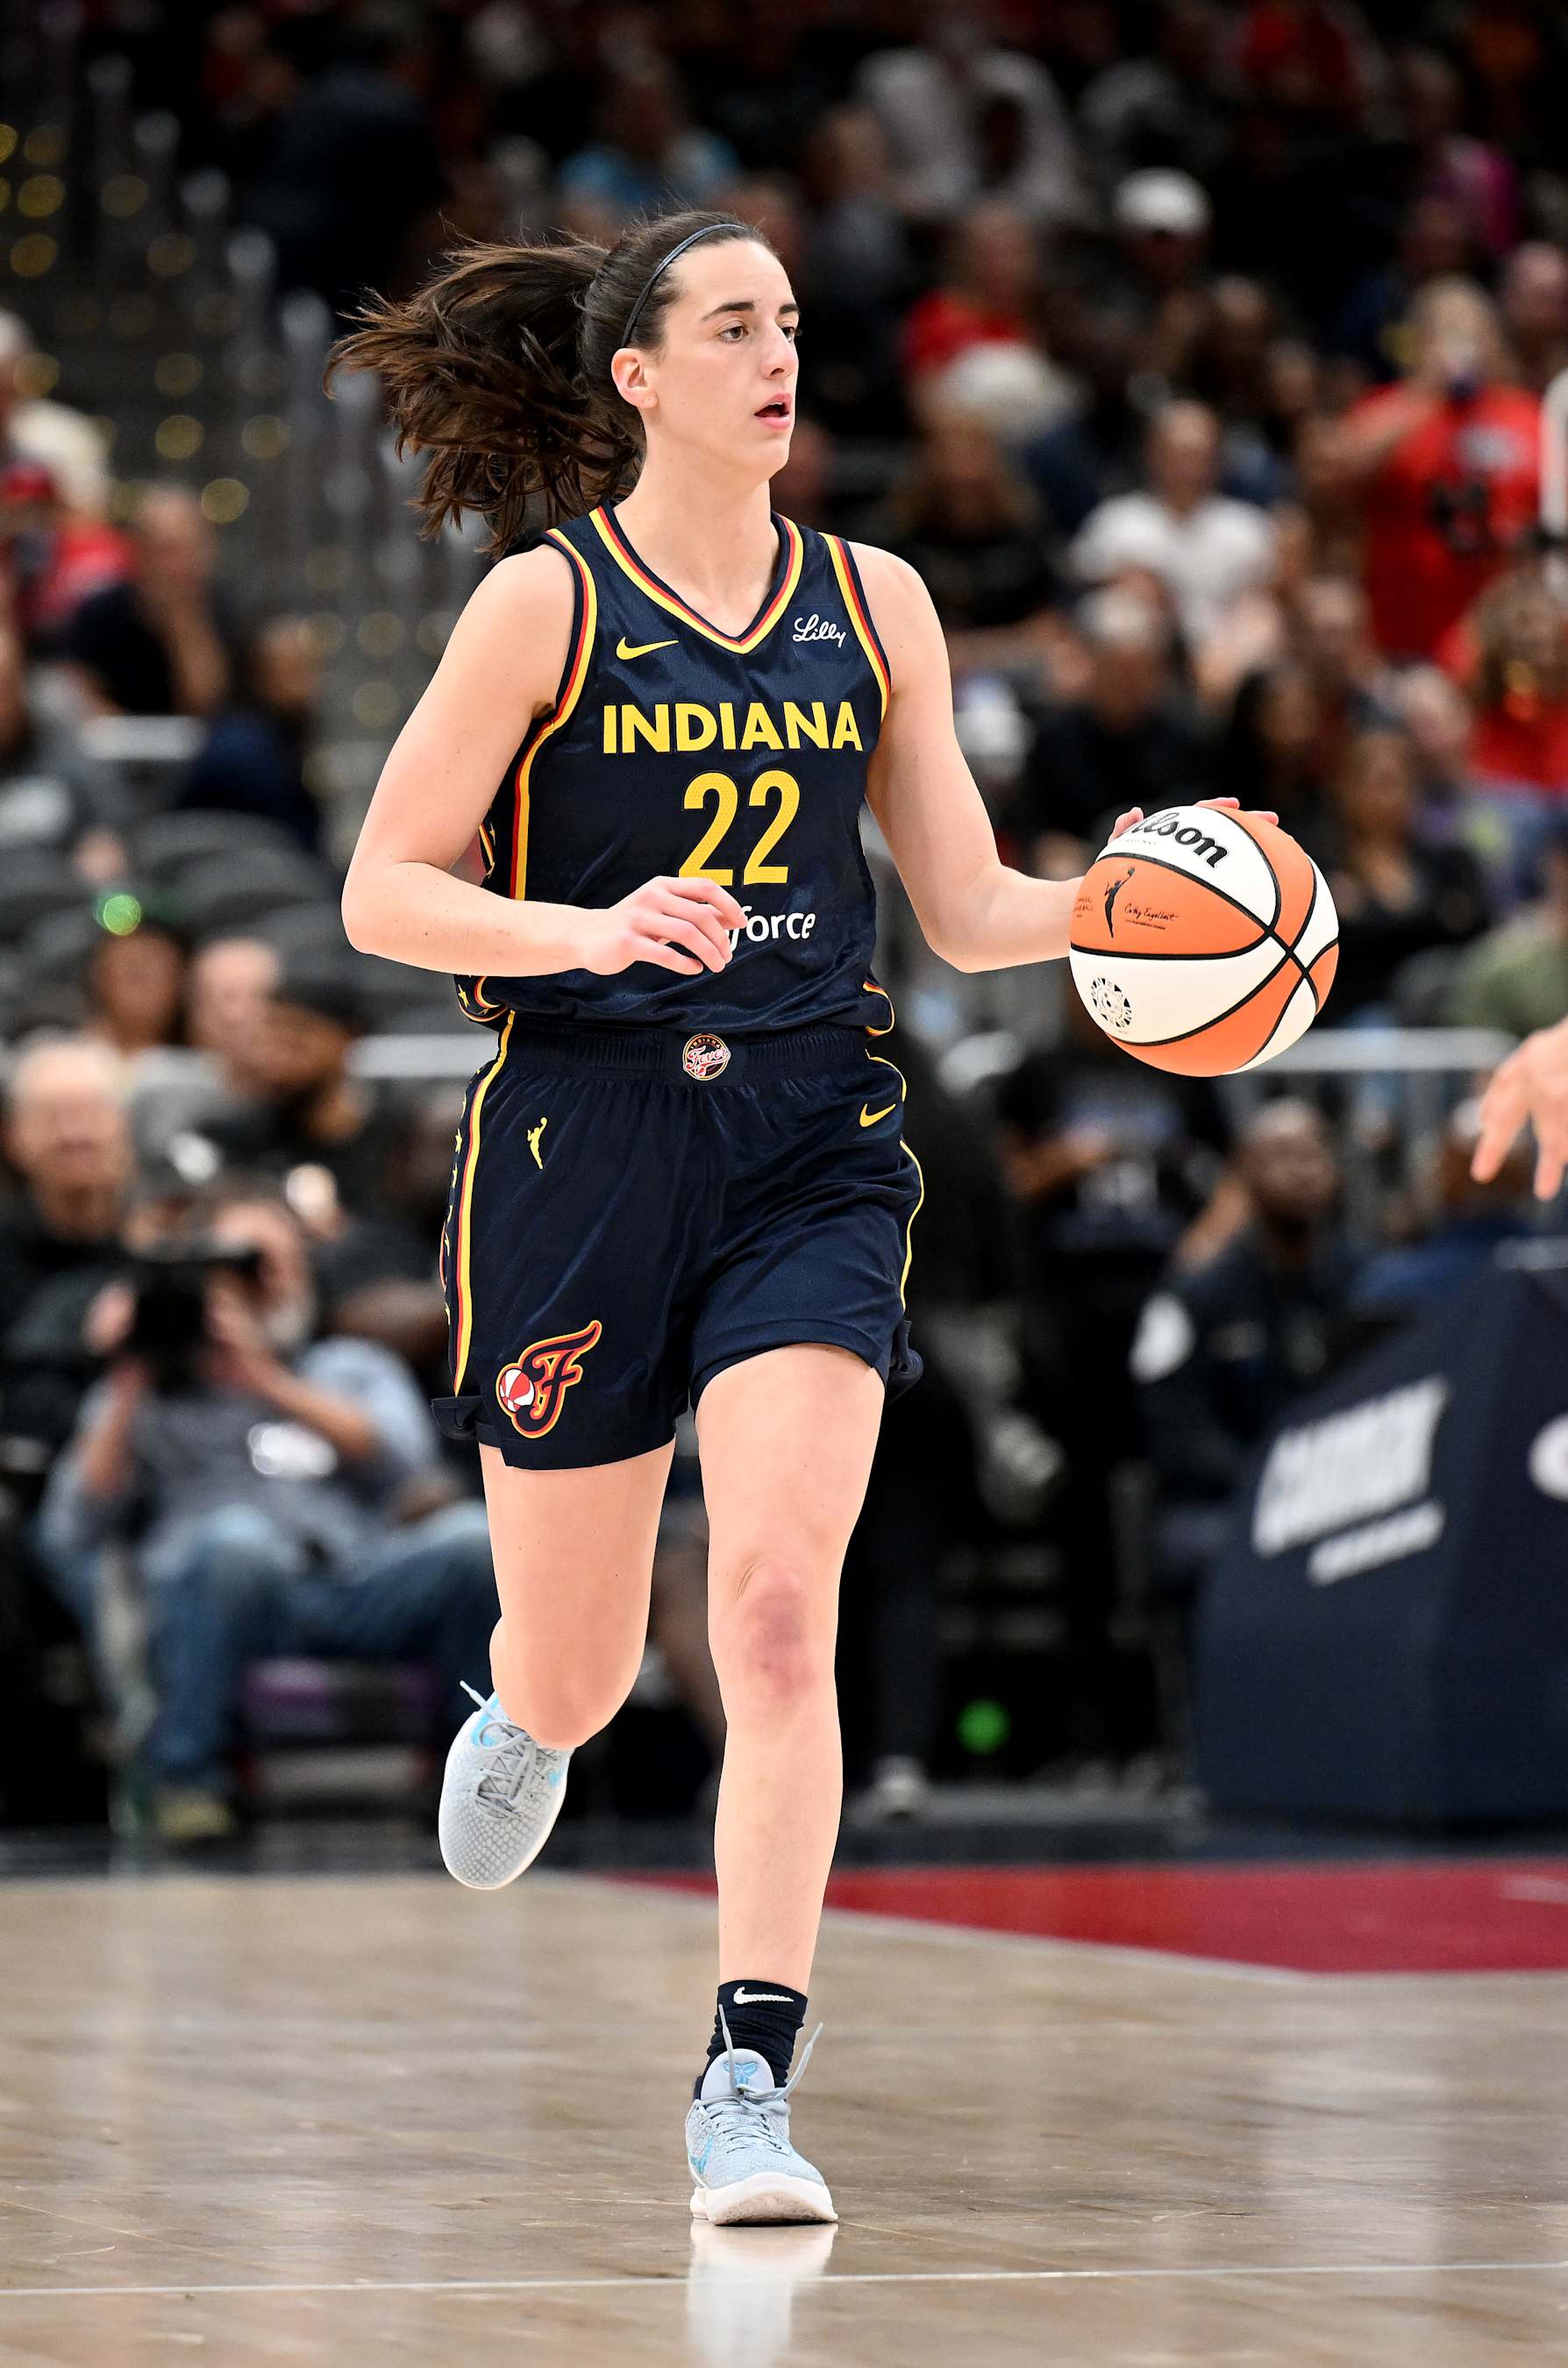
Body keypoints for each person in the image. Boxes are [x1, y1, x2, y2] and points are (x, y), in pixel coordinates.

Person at [326, 206, 1270, 2223]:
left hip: (812, 1146)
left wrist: (1131, 904)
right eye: (731, 324)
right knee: (586, 1671)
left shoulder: (880, 599)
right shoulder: (541, 604)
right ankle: (528, 1693)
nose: (779, 354)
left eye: (789, 323)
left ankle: (746, 2070)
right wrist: (582, 930)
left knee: (769, 1607)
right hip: (583, 1150)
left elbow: (961, 903)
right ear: (638, 375)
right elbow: (381, 889)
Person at [36, 1178, 499, 1844]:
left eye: (269, 1264)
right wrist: (130, 1371)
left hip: (354, 1581)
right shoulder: (153, 1392)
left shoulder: (348, 1365)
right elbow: (72, 1526)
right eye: (235, 1266)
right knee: (236, 1542)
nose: (258, 1285)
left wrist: (264, 1378)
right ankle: (188, 1783)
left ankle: (473, 1783)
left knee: (469, 1542)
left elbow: (407, 1465)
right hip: (228, 1600)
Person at [65, 486, 244, 719]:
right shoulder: (99, 611)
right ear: (139, 552)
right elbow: (76, 689)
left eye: (191, 549)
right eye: (168, 550)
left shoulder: (221, 607)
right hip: (115, 742)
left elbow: (210, 705)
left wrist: (184, 624)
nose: (180, 565)